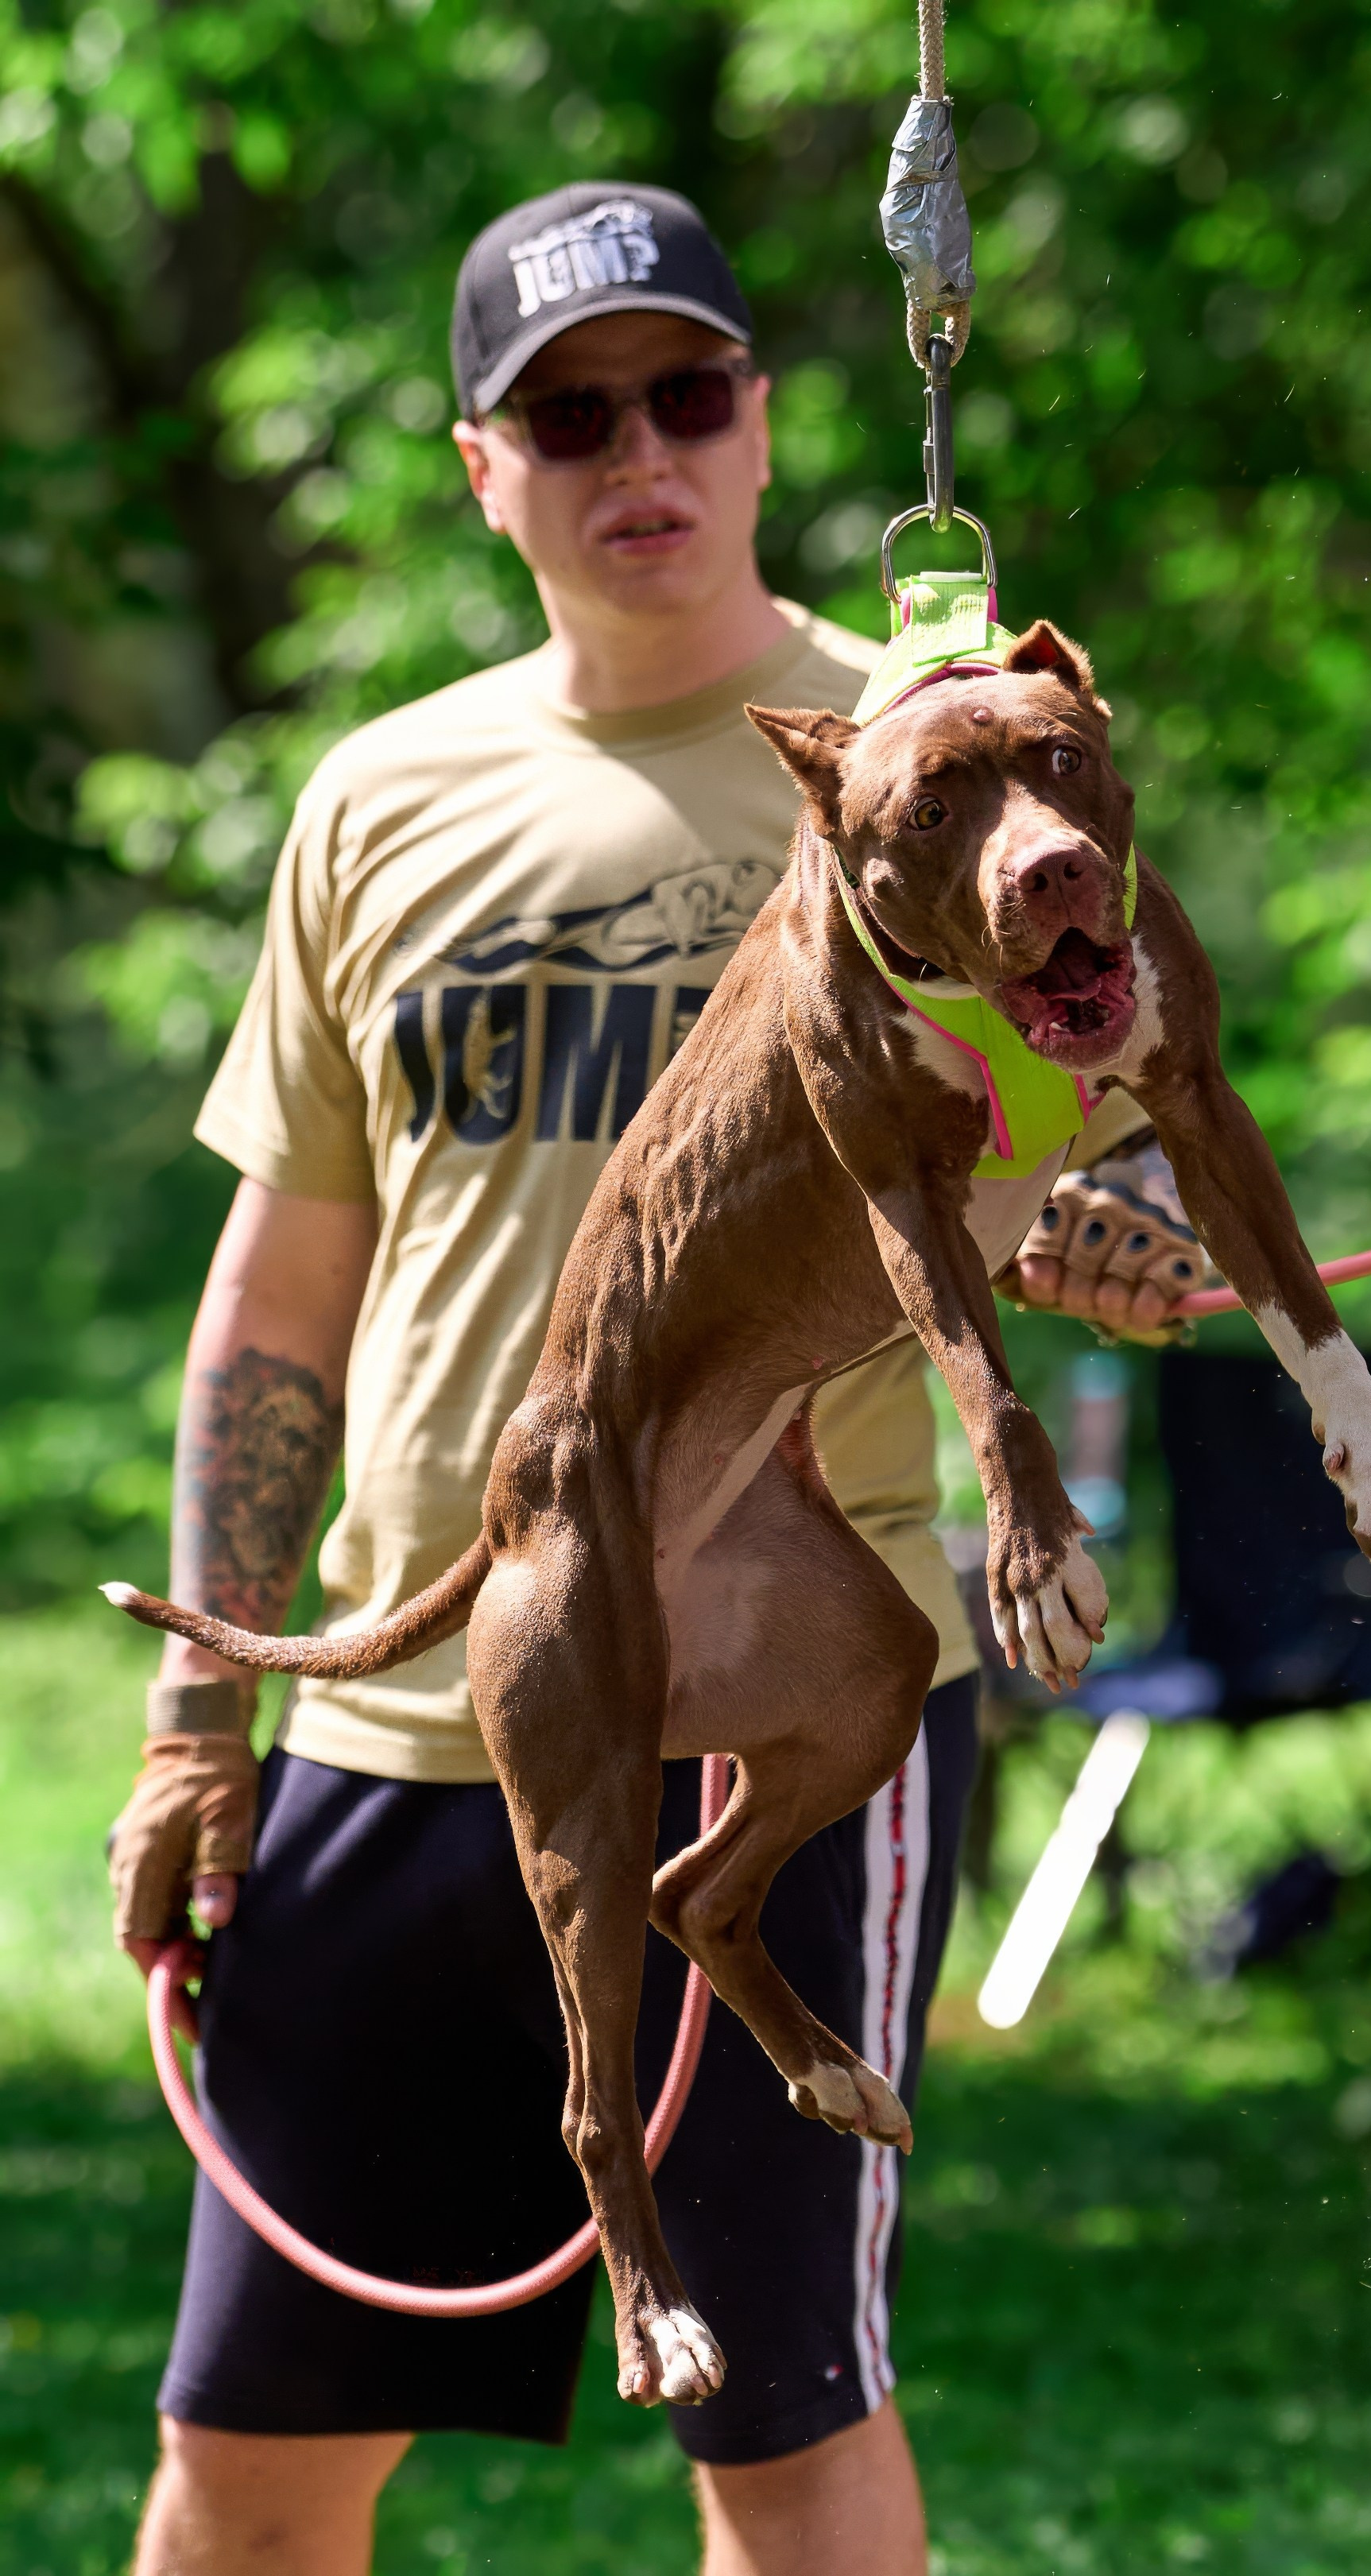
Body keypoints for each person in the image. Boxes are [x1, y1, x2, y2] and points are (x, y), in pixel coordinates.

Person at [107, 181, 1164, 2576]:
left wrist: (1107, 1234)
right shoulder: (380, 799)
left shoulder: (927, 757)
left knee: (783, 2453)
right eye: (570, 414)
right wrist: (199, 1725)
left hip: (774, 1694)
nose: (639, 450)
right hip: (419, 1719)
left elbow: (1102, 1123)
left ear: (768, 422)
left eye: (688, 389)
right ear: (484, 469)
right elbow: (278, 1298)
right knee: (246, 2460)